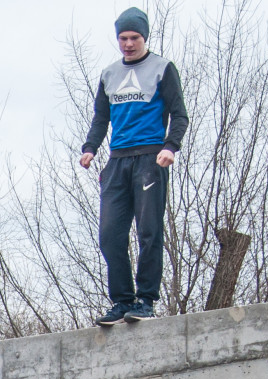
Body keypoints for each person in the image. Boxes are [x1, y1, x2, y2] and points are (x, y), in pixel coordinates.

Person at [79, 7, 188, 326]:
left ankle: (146, 300)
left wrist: (171, 147)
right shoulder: (109, 74)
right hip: (117, 161)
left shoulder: (162, 68)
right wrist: (90, 148)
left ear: (144, 37)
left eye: (134, 38)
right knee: (110, 235)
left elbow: (180, 115)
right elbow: (102, 117)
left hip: (150, 158)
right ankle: (122, 300)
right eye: (123, 38)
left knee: (149, 231)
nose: (128, 44)